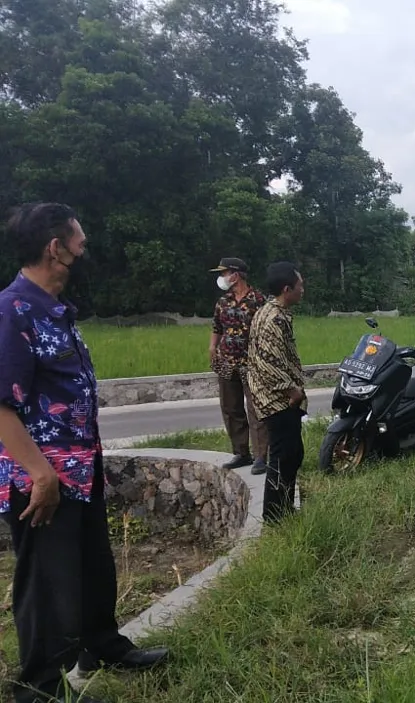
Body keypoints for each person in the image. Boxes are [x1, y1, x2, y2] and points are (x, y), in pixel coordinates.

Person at [0, 203, 168, 703]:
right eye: (80, 242)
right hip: (41, 479)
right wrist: (42, 475)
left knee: (95, 565)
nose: (84, 250)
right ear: (56, 248)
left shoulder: (54, 310)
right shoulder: (13, 312)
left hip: (79, 468)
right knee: (48, 584)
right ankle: (39, 688)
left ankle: (102, 644)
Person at [247, 262, 308, 524]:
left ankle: (284, 508)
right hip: (277, 401)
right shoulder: (272, 319)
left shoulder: (273, 312)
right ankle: (274, 516)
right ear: (287, 289)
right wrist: (292, 391)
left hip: (276, 398)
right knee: (283, 457)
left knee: (292, 454)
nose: (303, 290)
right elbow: (268, 363)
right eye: (300, 285)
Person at [209, 257, 270, 475]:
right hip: (227, 362)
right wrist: (212, 348)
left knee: (257, 410)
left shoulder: (259, 300)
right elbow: (217, 327)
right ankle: (242, 452)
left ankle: (262, 456)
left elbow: (267, 331)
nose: (222, 277)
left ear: (236, 274)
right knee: (231, 408)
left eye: (224, 273)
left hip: (251, 364)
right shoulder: (223, 301)